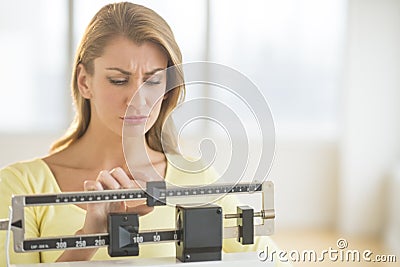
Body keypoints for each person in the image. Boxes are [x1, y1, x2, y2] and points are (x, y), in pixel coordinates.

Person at [0, 2, 285, 265]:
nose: (137, 99)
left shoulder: (196, 178)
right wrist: (87, 238)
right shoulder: (20, 186)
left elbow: (271, 259)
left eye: (153, 81)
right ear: (84, 81)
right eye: (119, 80)